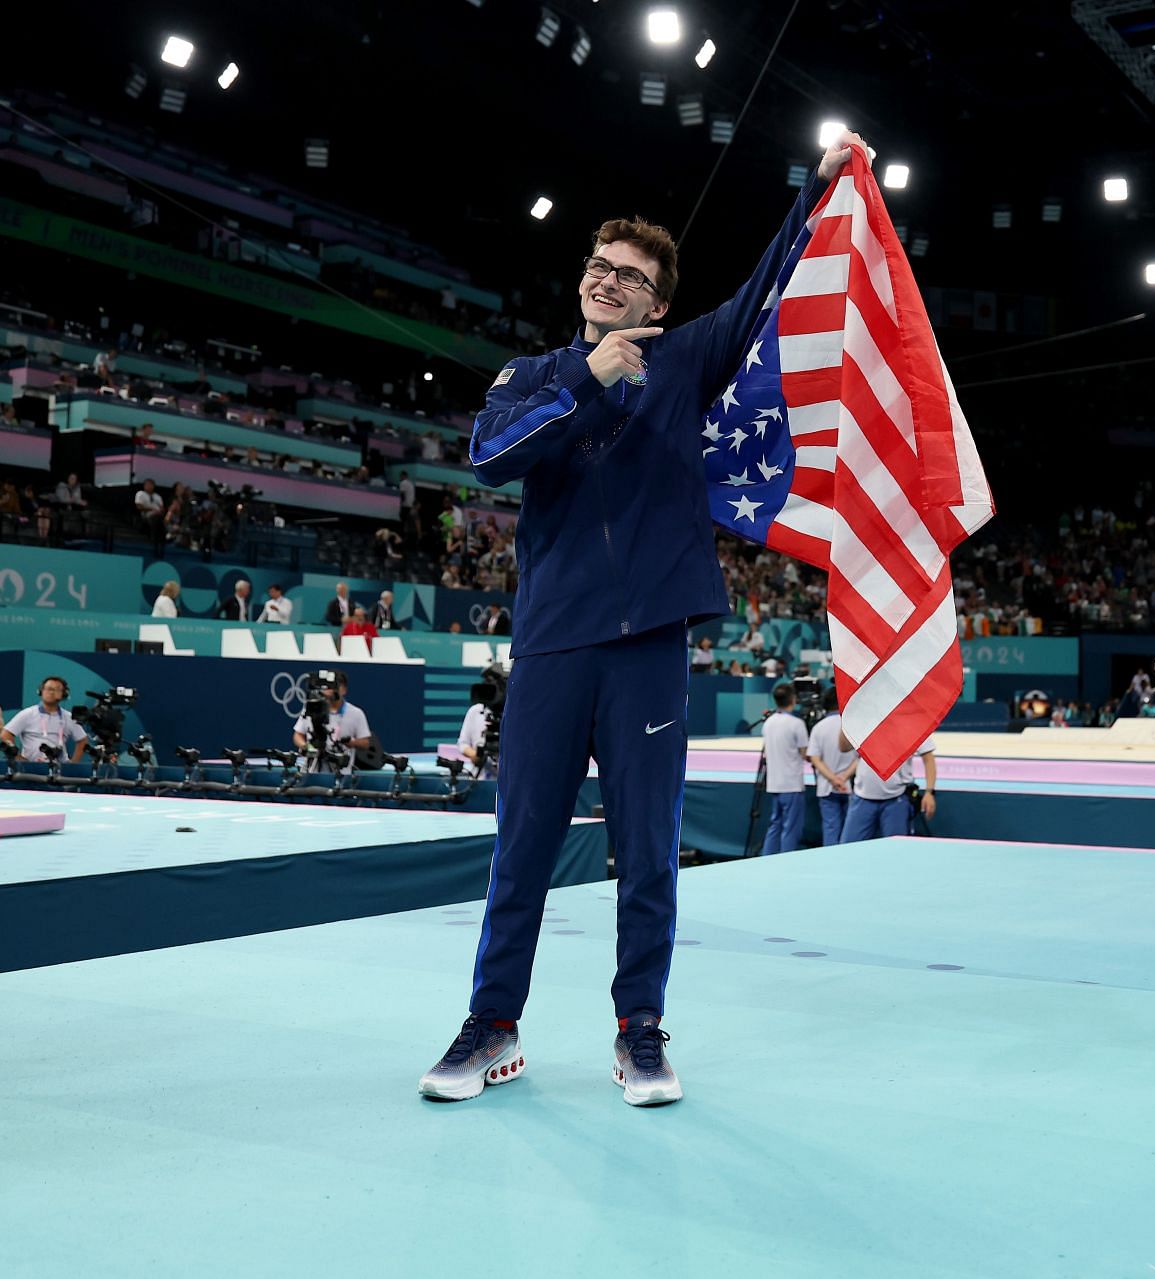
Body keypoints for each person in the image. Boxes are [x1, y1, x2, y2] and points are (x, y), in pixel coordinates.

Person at [418, 128, 872, 1107]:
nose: (607, 280)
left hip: (648, 648)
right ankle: (492, 1024)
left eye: (629, 275)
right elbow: (492, 459)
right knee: (523, 846)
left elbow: (766, 292)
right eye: (598, 266)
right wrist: (591, 377)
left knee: (648, 850)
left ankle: (641, 1032)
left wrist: (817, 189)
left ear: (659, 301)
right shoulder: (533, 376)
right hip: (548, 644)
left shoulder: (688, 360)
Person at [838, 730, 937, 843]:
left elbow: (928, 758)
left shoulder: (910, 722)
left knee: (895, 851)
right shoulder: (864, 720)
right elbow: (843, 748)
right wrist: (845, 720)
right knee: (848, 847)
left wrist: (929, 792)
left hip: (895, 800)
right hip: (862, 798)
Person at [760, 684, 810, 855]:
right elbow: (805, 753)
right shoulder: (797, 724)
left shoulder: (768, 723)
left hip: (774, 783)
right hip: (792, 784)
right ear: (793, 700)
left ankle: (767, 858)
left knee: (775, 824)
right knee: (791, 828)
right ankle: (787, 860)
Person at [807, 686, 857, 846]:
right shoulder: (851, 725)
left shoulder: (818, 728)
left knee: (831, 830)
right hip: (848, 785)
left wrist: (833, 779)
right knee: (850, 832)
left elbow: (814, 758)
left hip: (827, 786)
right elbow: (861, 757)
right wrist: (844, 777)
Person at [291, 670, 373, 767]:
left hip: (341, 770)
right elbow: (297, 735)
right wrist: (306, 747)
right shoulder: (312, 708)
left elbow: (366, 743)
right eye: (327, 686)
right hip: (311, 769)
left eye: (335, 686)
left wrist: (352, 742)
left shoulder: (356, 713)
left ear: (344, 689)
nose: (330, 690)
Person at [1, 675, 86, 763]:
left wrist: (74, 763)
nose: (51, 692)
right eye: (48, 689)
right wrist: (17, 757)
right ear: (41, 691)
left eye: (56, 689)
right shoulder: (28, 713)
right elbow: (5, 734)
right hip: (31, 767)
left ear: (64, 694)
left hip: (60, 768)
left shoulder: (68, 717)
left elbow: (82, 739)